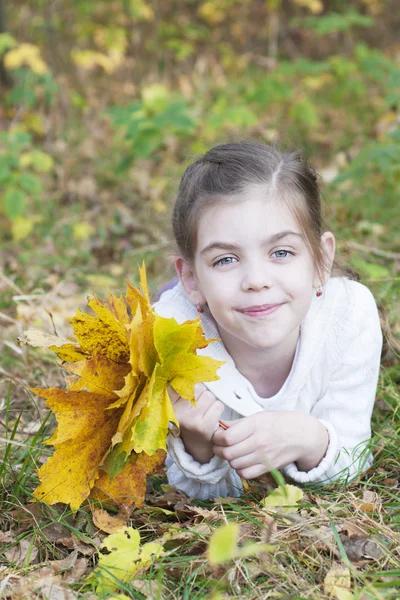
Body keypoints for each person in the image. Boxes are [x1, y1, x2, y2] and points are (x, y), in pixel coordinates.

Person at [153, 141, 383, 500]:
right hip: (194, 312)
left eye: (281, 252)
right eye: (226, 259)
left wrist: (309, 440)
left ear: (321, 260)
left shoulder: (348, 316)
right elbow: (187, 493)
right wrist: (197, 443)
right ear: (192, 279)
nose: (256, 280)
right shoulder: (172, 340)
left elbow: (352, 464)